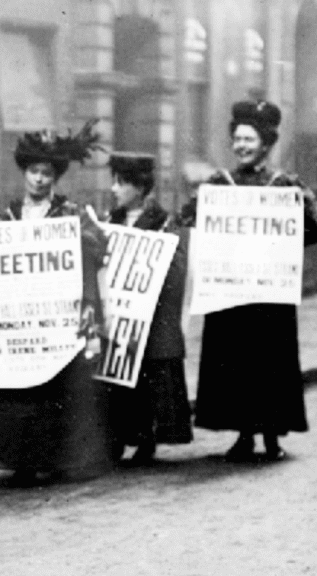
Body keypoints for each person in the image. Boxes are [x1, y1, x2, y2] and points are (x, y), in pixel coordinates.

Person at [0, 121, 117, 485]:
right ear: (24, 172)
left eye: (46, 173)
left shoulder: (70, 215)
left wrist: (81, 237)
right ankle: (19, 459)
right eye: (33, 172)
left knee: (54, 388)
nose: (39, 180)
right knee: (18, 390)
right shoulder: (6, 218)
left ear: (56, 177)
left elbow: (100, 249)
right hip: (19, 320)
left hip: (56, 321)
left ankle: (54, 458)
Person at [180, 100, 317, 462]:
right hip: (231, 292)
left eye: (249, 139)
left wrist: (301, 207)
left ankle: (272, 435)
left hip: (269, 295)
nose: (241, 146)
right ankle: (243, 434)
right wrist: (198, 209)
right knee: (235, 362)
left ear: (266, 144)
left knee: (269, 363)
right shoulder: (217, 183)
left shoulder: (284, 185)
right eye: (237, 139)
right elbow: (191, 223)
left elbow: (308, 233)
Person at [106, 152, 192, 464]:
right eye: (114, 182)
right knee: (115, 380)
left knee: (145, 380)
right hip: (118, 316)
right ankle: (115, 438)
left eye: (122, 183)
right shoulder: (110, 220)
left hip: (149, 317)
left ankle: (145, 437)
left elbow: (174, 267)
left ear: (140, 188)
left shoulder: (165, 222)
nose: (115, 189)